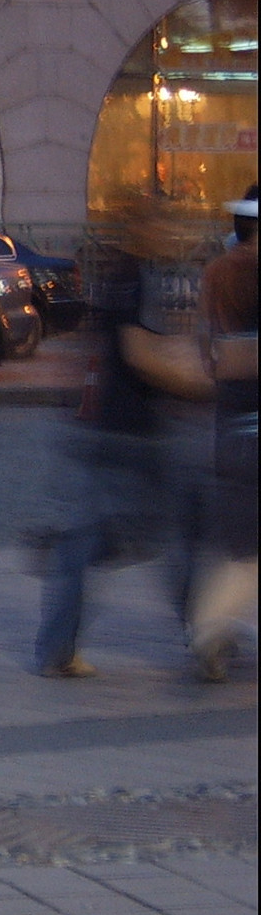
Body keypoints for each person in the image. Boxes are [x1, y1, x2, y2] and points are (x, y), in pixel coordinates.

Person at [32, 199, 196, 678]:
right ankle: (208, 636)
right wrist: (199, 386)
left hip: (107, 424)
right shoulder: (138, 279)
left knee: (110, 538)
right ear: (144, 229)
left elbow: (101, 348)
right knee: (174, 533)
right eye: (165, 224)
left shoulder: (119, 276)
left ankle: (58, 647)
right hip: (135, 431)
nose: (173, 234)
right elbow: (140, 355)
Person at [190, 187, 258, 682]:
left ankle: (211, 628)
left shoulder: (216, 272)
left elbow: (205, 344)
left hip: (231, 419)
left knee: (243, 543)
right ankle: (210, 630)